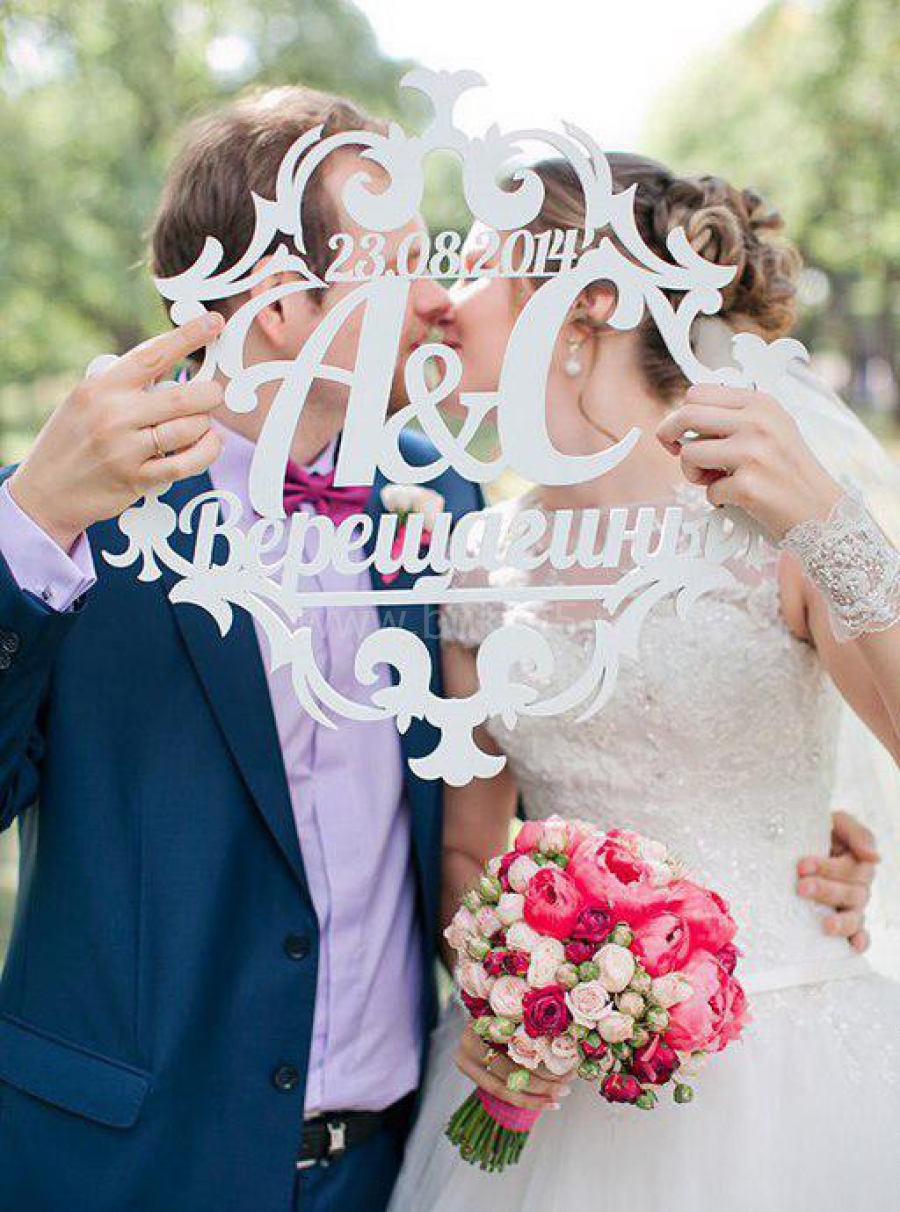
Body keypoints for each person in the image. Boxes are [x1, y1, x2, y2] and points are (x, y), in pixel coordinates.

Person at [0, 86, 481, 1212]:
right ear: (278, 301)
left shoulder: (439, 494)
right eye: (402, 263)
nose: (438, 299)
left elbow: (488, 778)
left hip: (384, 1164)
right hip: (128, 1169)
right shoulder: (69, 512)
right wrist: (30, 523)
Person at [388, 155, 900, 1212]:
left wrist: (828, 522)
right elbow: (471, 851)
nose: (442, 299)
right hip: (559, 1093)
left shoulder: (770, 519)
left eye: (477, 268)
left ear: (585, 307)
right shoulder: (480, 558)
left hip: (791, 1070)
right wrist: (501, 994)